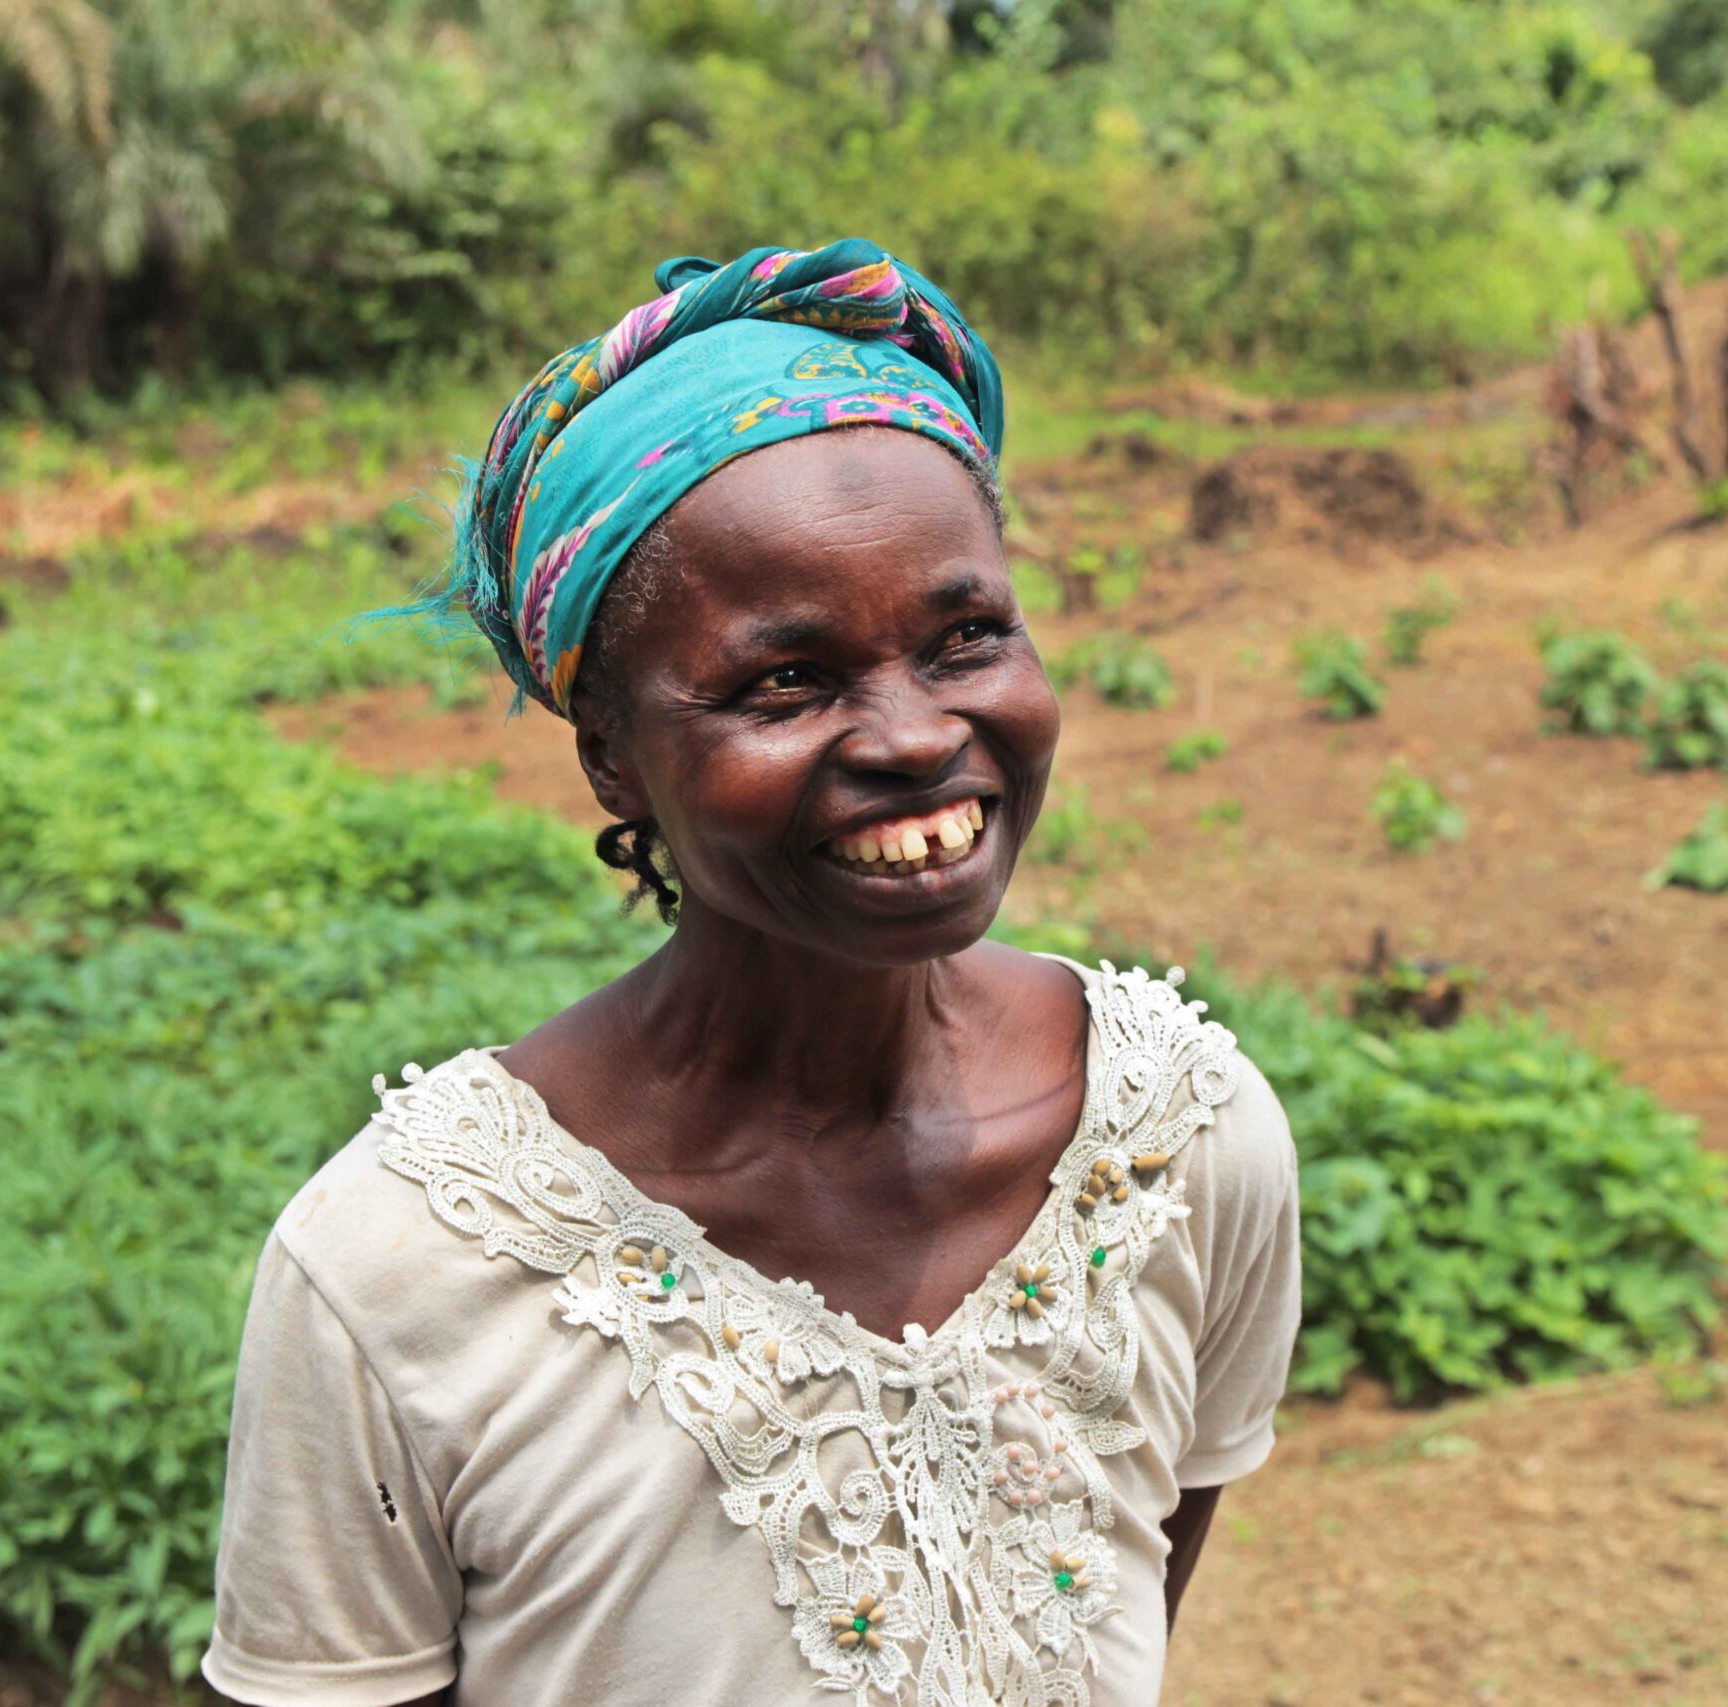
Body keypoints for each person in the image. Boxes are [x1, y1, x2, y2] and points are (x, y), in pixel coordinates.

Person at [201, 241, 1301, 1707]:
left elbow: (1136, 1586)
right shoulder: (404, 1272)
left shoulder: (1171, 1138)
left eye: (966, 636)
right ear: (611, 752)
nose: (915, 735)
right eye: (784, 682)